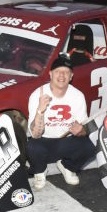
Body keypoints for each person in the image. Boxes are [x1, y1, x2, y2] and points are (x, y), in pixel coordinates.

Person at [26, 55, 97, 189]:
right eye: (58, 71)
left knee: (91, 146)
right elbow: (35, 135)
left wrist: (81, 130)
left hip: (66, 141)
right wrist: (40, 111)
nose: (62, 75)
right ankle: (40, 171)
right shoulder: (38, 94)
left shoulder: (77, 96)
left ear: (71, 77)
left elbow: (84, 130)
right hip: (44, 141)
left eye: (66, 72)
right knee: (31, 147)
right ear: (51, 74)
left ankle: (67, 167)